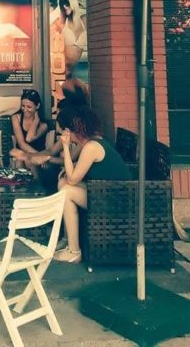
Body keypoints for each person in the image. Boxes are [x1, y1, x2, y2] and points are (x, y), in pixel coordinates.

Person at [54, 105, 131, 264]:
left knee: (66, 191)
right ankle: (67, 239)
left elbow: (73, 179)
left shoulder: (91, 147)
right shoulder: (93, 141)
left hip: (116, 201)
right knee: (63, 183)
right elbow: (73, 173)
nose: (61, 136)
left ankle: (74, 252)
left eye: (62, 132)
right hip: (106, 193)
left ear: (69, 131)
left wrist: (66, 147)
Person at [50, 0, 87, 81]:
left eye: (67, 2)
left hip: (74, 73)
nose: (64, 6)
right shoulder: (58, 24)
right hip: (61, 73)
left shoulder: (84, 20)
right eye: (61, 3)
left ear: (72, 0)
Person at [9, 89, 48, 173]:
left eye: (29, 107)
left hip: (36, 155)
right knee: (20, 160)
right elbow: (21, 143)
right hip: (23, 153)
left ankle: (35, 181)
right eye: (23, 106)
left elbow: (29, 138)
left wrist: (35, 121)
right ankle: (20, 181)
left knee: (28, 160)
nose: (25, 109)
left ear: (37, 106)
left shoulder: (43, 125)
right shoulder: (16, 118)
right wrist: (39, 156)